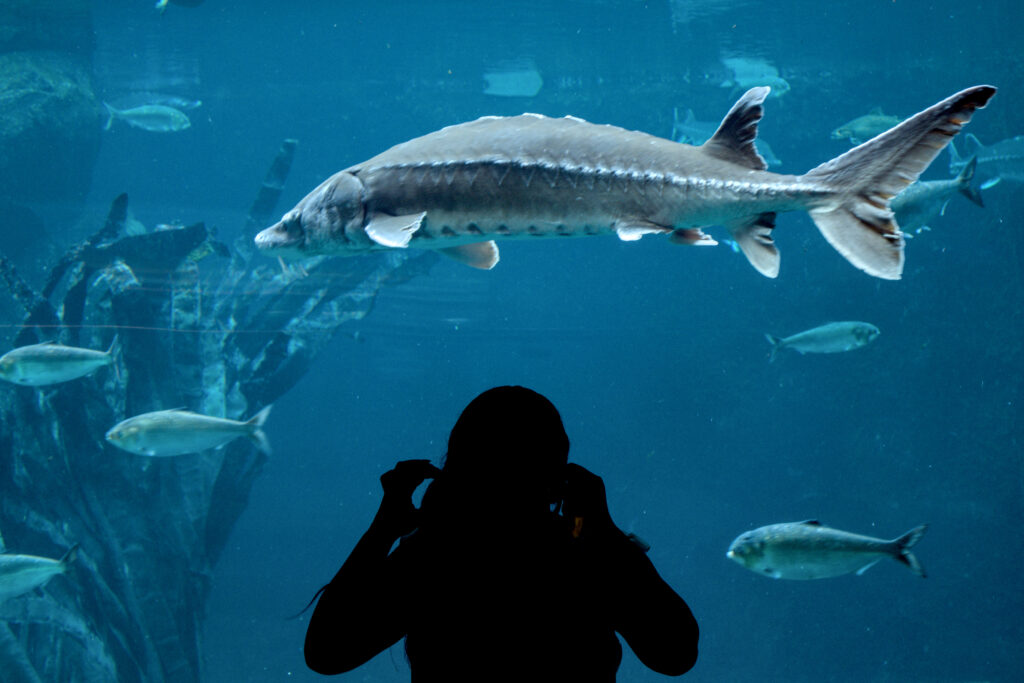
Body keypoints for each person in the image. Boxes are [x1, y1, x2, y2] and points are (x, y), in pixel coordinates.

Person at [304, 386, 698, 681]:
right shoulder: (582, 557)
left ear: (456, 465)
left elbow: (326, 653)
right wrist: (602, 529)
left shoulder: (435, 559)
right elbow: (676, 654)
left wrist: (384, 527)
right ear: (558, 472)